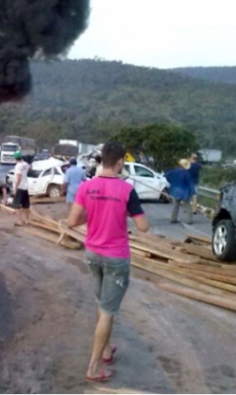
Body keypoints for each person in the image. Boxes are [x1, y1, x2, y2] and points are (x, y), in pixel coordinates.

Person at [67, 142, 149, 383]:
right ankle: (93, 367)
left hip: (92, 254)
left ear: (102, 160)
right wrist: (128, 212)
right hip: (116, 258)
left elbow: (72, 221)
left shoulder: (86, 187)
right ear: (120, 162)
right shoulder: (126, 190)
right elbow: (144, 227)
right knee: (107, 311)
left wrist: (92, 213)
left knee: (102, 303)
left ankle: (105, 349)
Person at [166, 159, 194, 224]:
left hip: (175, 191)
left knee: (175, 206)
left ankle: (173, 219)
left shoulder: (173, 171)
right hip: (184, 191)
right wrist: (192, 192)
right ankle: (189, 220)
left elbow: (166, 176)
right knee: (188, 206)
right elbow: (189, 183)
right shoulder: (186, 173)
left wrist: (172, 182)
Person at [12, 151, 30, 226]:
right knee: (26, 205)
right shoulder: (25, 164)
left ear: (15, 158)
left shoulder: (18, 166)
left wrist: (15, 188)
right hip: (25, 186)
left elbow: (19, 177)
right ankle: (26, 220)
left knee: (16, 205)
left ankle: (19, 221)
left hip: (19, 187)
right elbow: (27, 171)